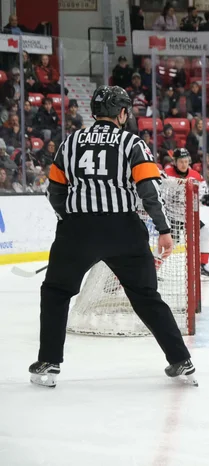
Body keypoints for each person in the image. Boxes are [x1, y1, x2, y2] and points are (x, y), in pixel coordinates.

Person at [29, 86, 196, 388]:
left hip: (76, 230)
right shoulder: (132, 142)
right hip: (124, 231)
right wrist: (164, 229)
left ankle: (49, 362)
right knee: (146, 297)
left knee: (55, 292)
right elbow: (148, 191)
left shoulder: (70, 142)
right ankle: (180, 359)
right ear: (122, 113)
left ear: (94, 112)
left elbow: (55, 191)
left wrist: (69, 221)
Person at [164, 148, 209, 281]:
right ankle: (152, 269)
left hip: (189, 217)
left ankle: (203, 265)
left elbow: (203, 197)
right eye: (181, 161)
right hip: (172, 217)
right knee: (169, 243)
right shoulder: (166, 175)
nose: (183, 164)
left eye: (186, 161)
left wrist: (208, 199)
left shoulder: (196, 177)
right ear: (175, 162)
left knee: (206, 233)